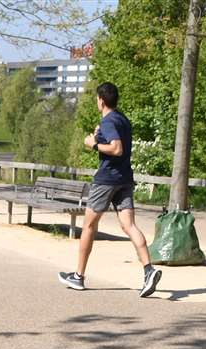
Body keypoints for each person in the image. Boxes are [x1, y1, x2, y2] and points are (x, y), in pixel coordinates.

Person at [58, 82, 162, 298]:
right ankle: (148, 270)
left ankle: (78, 276)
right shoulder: (123, 120)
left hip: (106, 181)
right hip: (125, 179)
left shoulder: (108, 121)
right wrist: (99, 137)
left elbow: (116, 148)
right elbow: (116, 142)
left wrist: (92, 144)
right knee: (129, 226)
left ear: (101, 100)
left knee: (88, 226)